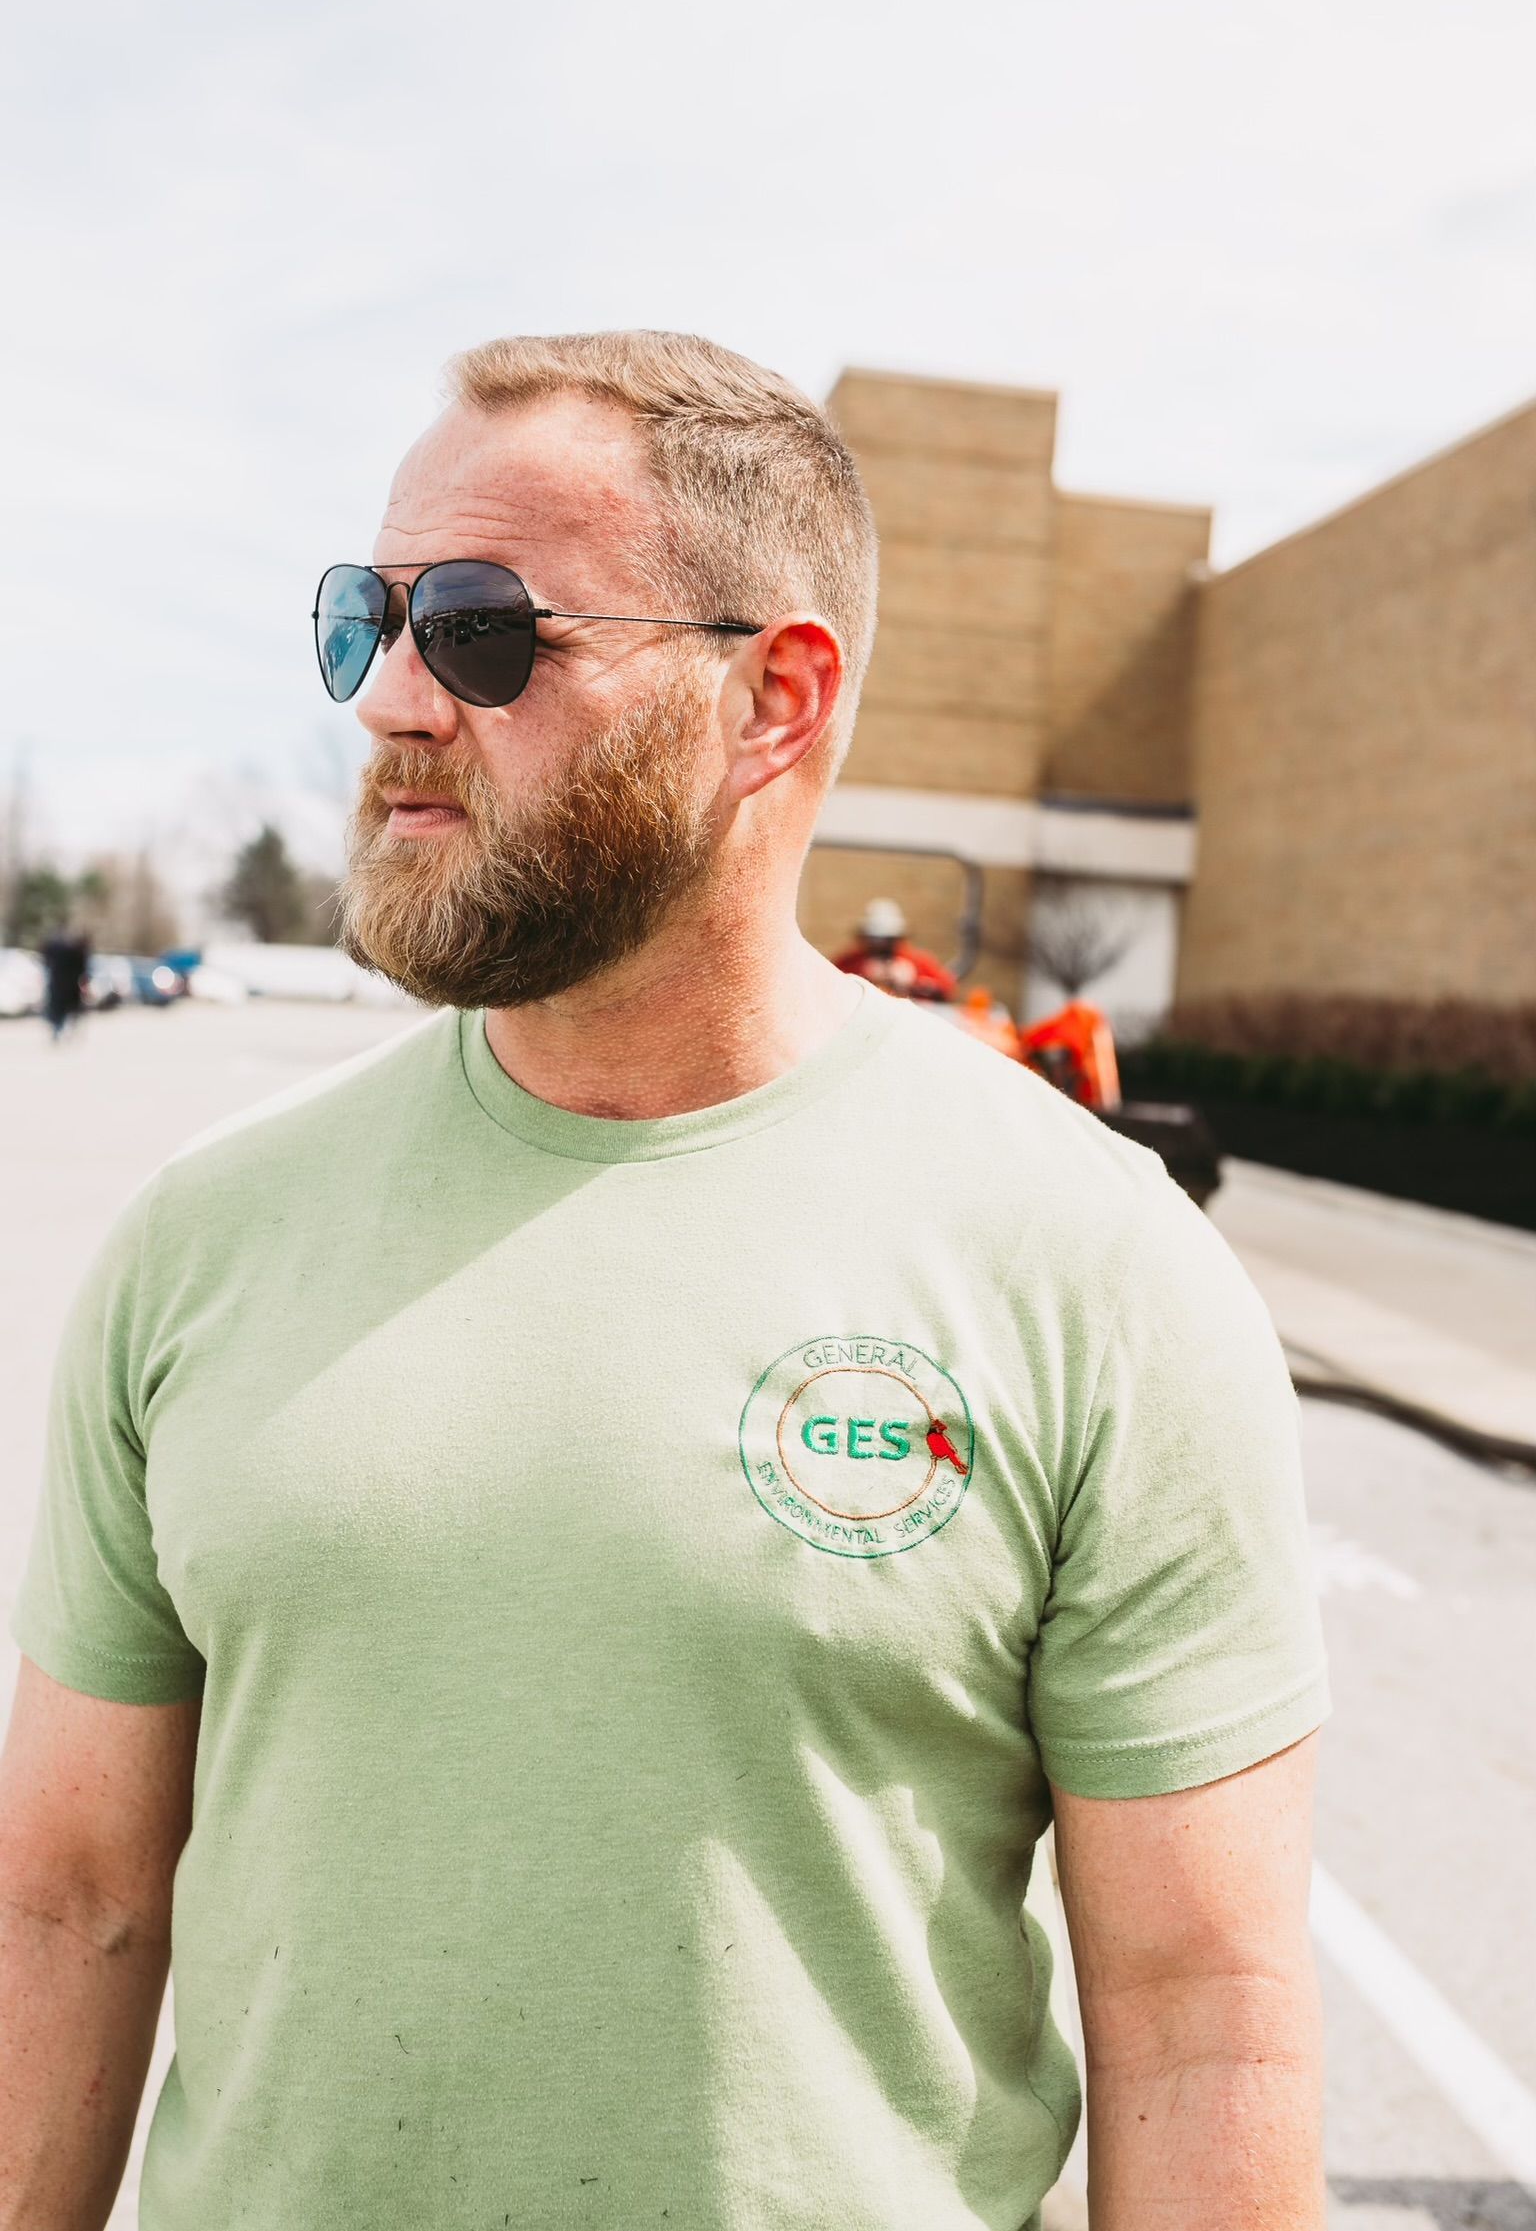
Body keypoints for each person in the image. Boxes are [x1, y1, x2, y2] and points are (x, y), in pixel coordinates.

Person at [1, 331, 1330, 2231]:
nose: (385, 699)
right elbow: (65, 1904)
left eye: (480, 629)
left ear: (774, 701)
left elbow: (1202, 2018)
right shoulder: (201, 1239)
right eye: (361, 619)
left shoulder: (1098, 1272)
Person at [833, 893, 957, 999]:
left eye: (886, 939)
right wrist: (864, 978)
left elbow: (947, 989)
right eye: (874, 939)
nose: (880, 945)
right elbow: (831, 983)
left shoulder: (917, 961)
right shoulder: (851, 961)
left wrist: (916, 983)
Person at [37, 924, 89, 1042]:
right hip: (68, 985)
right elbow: (83, 968)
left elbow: (45, 958)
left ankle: (58, 1029)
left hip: (59, 984)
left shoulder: (58, 948)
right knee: (67, 1010)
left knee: (59, 1009)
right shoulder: (76, 949)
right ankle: (61, 1029)